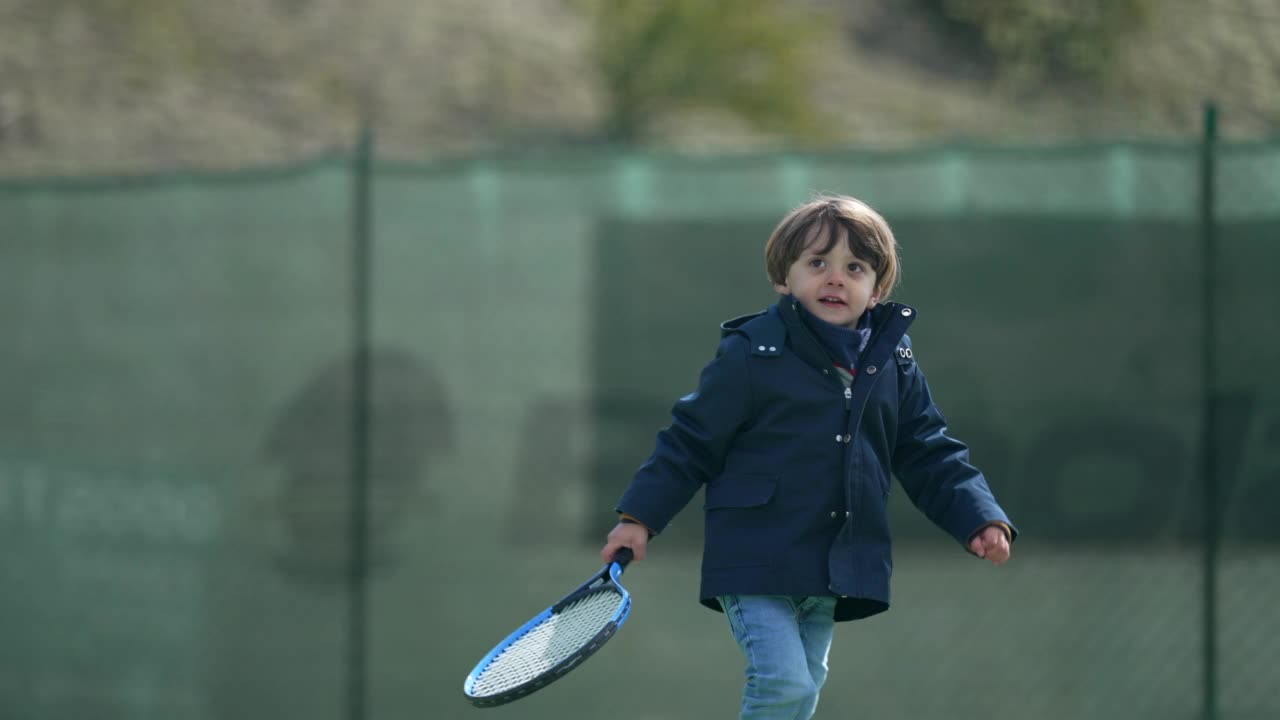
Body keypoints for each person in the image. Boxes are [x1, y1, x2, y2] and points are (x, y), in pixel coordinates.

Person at [600, 194, 1016, 719]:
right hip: (755, 562)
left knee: (806, 686)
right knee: (785, 684)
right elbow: (690, 440)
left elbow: (929, 450)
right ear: (784, 277)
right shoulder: (753, 351)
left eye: (855, 267)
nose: (835, 278)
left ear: (877, 288)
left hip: (835, 565)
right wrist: (638, 517)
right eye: (817, 263)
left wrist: (978, 516)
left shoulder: (895, 364)